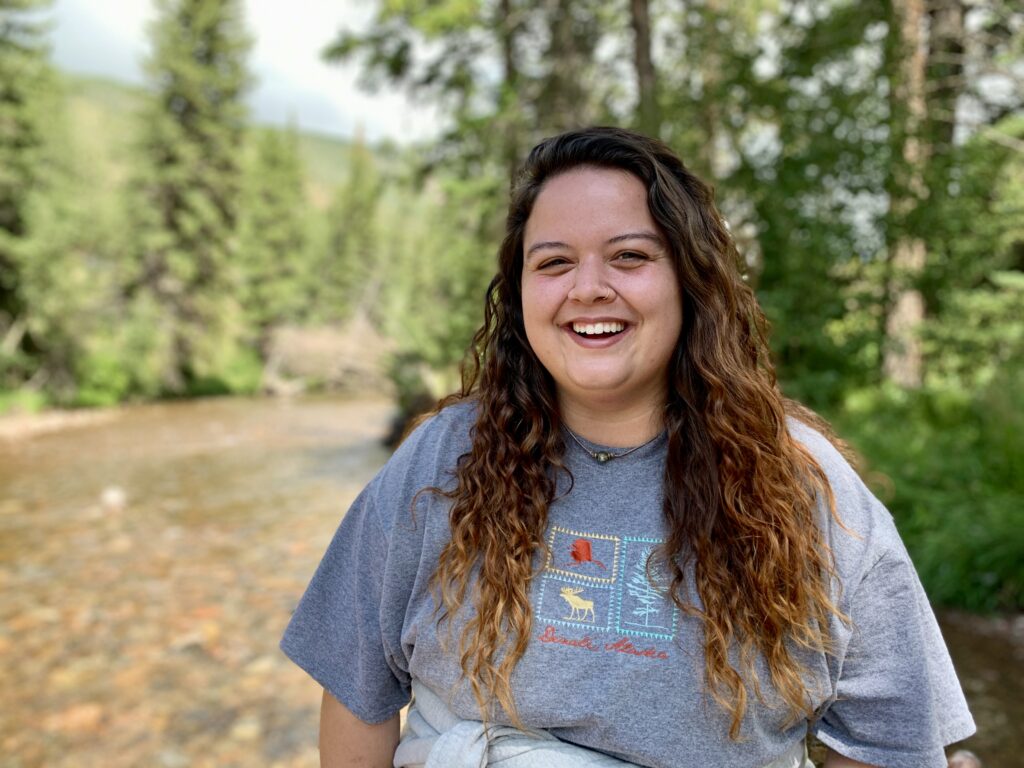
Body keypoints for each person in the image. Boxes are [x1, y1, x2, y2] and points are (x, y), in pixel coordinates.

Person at [280, 127, 976, 768]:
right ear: (519, 292)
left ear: (689, 280)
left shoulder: (804, 487)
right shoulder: (441, 462)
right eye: (553, 262)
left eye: (630, 256)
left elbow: (891, 743)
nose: (589, 289)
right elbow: (357, 690)